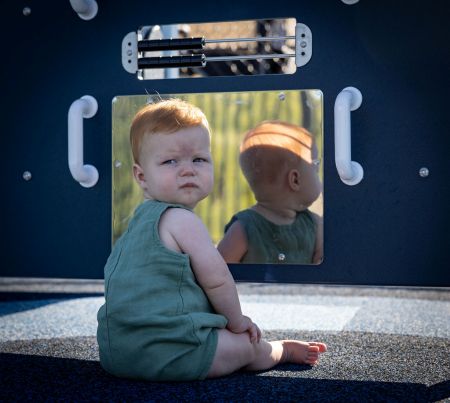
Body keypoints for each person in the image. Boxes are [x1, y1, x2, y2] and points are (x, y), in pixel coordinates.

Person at [96, 99, 327, 382]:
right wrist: (238, 322)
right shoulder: (183, 221)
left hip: (117, 353)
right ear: (142, 176)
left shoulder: (136, 226)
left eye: (199, 159)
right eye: (171, 161)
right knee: (247, 346)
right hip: (173, 354)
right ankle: (280, 351)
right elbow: (217, 280)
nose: (187, 169)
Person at [218, 121, 323, 264]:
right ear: (295, 180)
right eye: (316, 167)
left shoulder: (316, 226)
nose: (319, 175)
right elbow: (217, 271)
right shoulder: (245, 228)